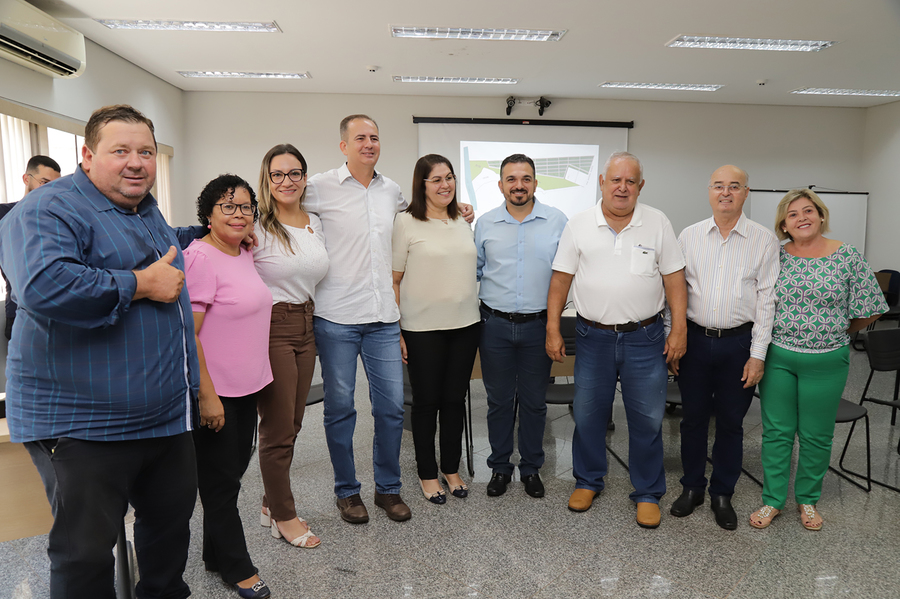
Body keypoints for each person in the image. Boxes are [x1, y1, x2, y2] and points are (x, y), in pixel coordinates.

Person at [0, 105, 199, 599]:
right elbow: (44, 284)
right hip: (83, 425)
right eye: (120, 151)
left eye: (146, 152)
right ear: (87, 156)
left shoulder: (145, 208)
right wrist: (140, 284)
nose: (136, 162)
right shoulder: (47, 208)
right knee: (85, 554)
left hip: (165, 419)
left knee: (169, 538)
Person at [305, 115, 473, 524]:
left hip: (383, 319)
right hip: (337, 317)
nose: (368, 144)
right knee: (341, 408)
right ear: (343, 145)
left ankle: (388, 489)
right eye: (359, 138)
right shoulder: (320, 187)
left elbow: (427, 214)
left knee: (392, 410)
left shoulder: (392, 191)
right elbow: (281, 202)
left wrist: (460, 207)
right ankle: (348, 492)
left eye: (374, 137)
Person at [546, 151, 687, 528]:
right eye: (615, 180)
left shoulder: (657, 222)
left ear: (640, 186)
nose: (622, 187)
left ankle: (646, 491)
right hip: (594, 337)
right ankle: (588, 480)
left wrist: (679, 329)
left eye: (630, 181)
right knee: (589, 415)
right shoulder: (579, 224)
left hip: (646, 337)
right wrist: (553, 327)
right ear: (602, 182)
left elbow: (674, 278)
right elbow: (561, 279)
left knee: (648, 419)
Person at [749, 189, 886, 531]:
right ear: (784, 224)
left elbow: (870, 308)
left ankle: (808, 500)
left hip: (827, 360)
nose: (802, 218)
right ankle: (772, 501)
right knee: (777, 432)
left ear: (821, 215)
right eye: (792, 214)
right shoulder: (775, 256)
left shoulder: (847, 256)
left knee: (816, 434)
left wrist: (839, 329)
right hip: (778, 357)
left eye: (808, 211)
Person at [670, 165, 779, 530]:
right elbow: (676, 292)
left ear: (746, 193)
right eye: (719, 186)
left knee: (732, 423)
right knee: (693, 420)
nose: (726, 192)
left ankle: (722, 493)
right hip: (696, 342)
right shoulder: (689, 236)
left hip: (739, 344)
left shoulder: (763, 240)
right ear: (709, 191)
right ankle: (692, 488)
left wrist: (758, 354)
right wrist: (675, 335)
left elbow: (767, 301)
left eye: (734, 186)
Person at [184, 174, 274, 598]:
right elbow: (190, 334)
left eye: (245, 207)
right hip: (216, 394)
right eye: (228, 206)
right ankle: (239, 568)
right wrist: (207, 396)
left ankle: (213, 555)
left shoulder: (242, 252)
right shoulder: (200, 258)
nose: (239, 214)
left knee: (229, 479)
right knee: (221, 486)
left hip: (245, 388)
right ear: (207, 214)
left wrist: (245, 238)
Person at [475, 153, 568, 499]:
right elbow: (475, 270)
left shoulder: (558, 221)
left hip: (538, 327)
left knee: (534, 403)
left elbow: (567, 273)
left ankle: (531, 468)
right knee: (498, 402)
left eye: (525, 178)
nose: (518, 185)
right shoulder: (484, 224)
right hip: (495, 325)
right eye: (511, 179)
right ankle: (500, 467)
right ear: (500, 185)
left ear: (535, 183)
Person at [392, 154, 480, 504]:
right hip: (421, 328)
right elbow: (394, 280)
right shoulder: (406, 222)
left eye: (450, 177)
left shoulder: (462, 220)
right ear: (422, 185)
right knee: (427, 403)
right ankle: (428, 473)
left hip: (466, 325)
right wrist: (397, 331)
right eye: (436, 180)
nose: (445, 185)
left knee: (454, 401)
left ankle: (451, 468)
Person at [253, 144, 328, 547]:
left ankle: (269, 501)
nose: (287, 181)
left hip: (307, 323)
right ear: (266, 178)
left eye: (295, 173)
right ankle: (285, 515)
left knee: (294, 422)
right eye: (278, 174)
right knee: (279, 428)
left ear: (304, 177)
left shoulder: (314, 221)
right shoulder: (256, 224)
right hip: (272, 326)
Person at [0, 155, 61, 340]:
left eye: (54, 185)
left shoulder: (59, 220)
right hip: (20, 314)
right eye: (44, 182)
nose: (50, 190)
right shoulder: (4, 214)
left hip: (57, 312)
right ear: (26, 179)